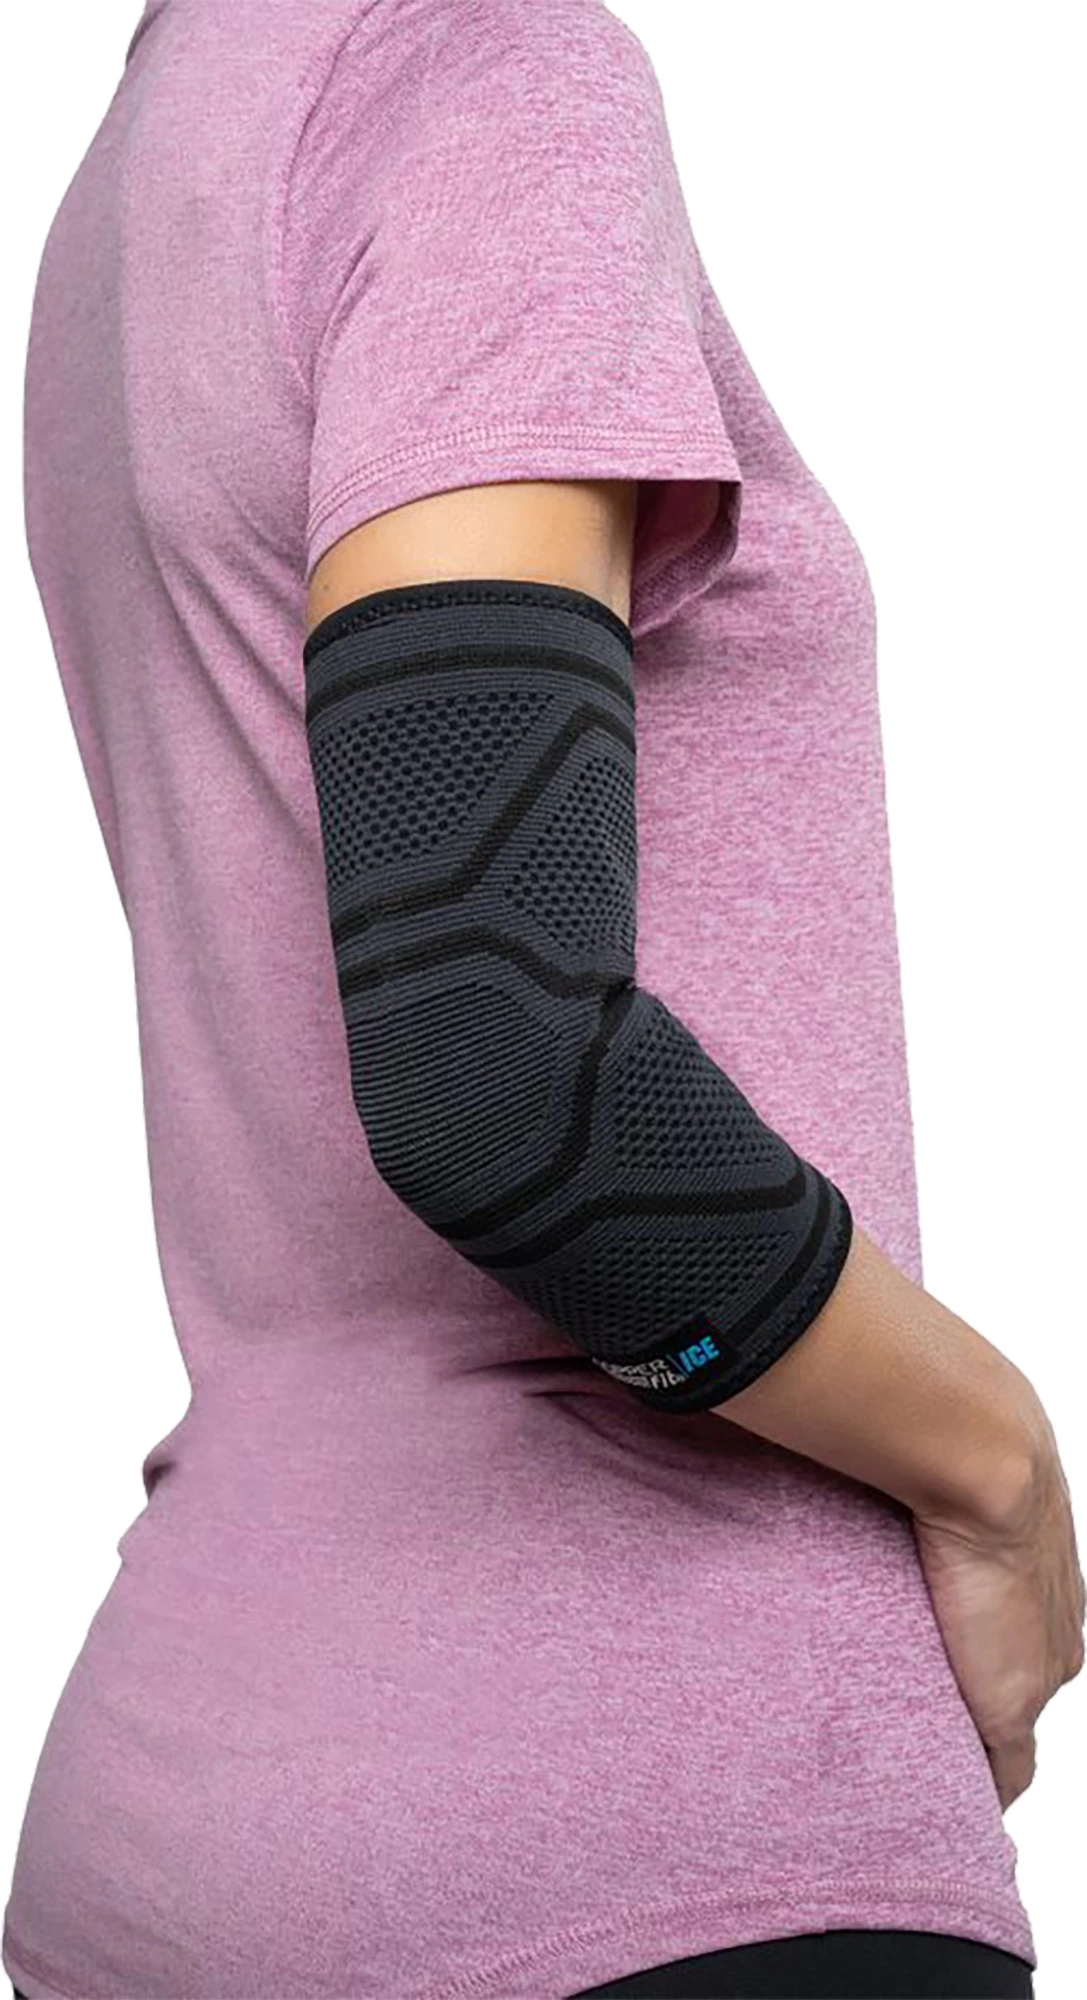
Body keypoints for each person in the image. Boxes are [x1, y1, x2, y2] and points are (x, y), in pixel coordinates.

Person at [4, 2, 1081, 1997]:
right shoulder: (487, 84)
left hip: (174, 1837)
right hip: (648, 1828)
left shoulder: (169, 140)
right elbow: (503, 1071)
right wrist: (997, 1468)